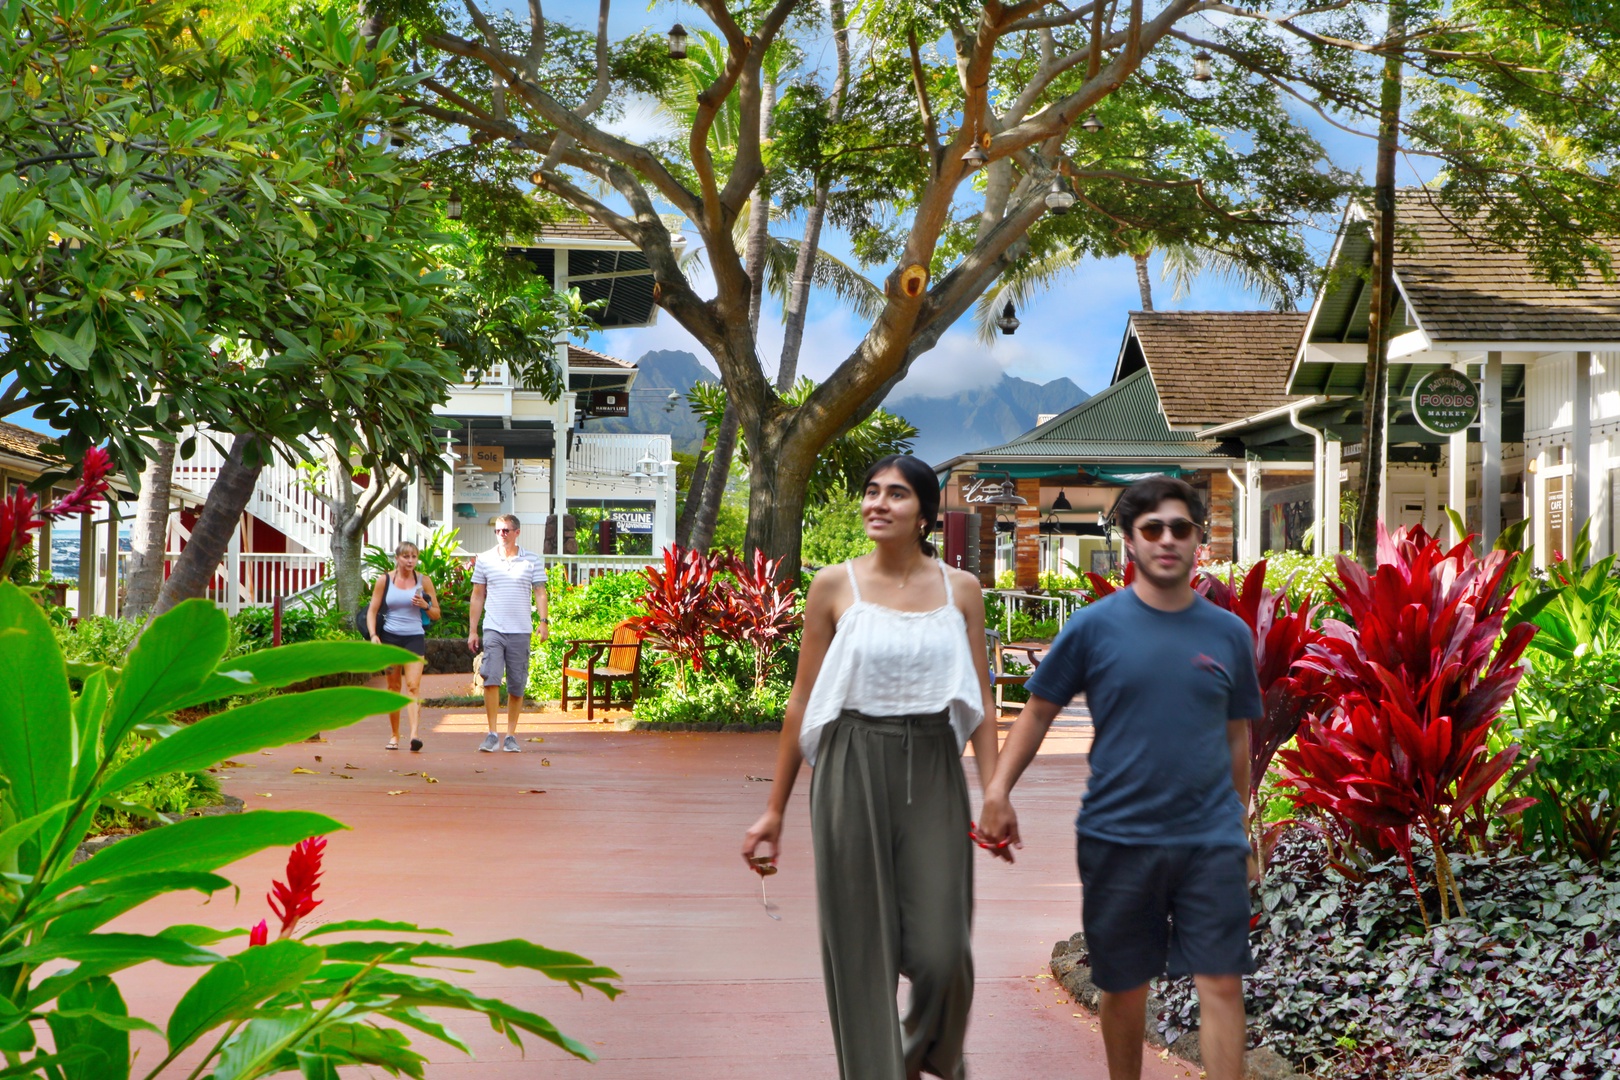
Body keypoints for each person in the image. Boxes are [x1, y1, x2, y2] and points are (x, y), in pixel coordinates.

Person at [976, 476, 1262, 1080]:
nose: (1166, 539)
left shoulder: (1229, 635)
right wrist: (998, 790)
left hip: (1208, 837)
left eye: (1179, 528)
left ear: (1196, 541)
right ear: (1129, 540)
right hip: (1118, 836)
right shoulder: (1092, 627)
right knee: (1124, 986)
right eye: (1151, 528)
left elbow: (1237, 735)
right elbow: (1036, 714)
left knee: (1221, 981)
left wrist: (1243, 822)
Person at [742, 454, 1005, 1080]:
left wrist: (995, 789)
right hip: (849, 763)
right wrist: (774, 810)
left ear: (924, 514)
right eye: (871, 492)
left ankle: (917, 1055)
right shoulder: (835, 586)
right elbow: (803, 700)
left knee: (944, 954)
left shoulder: (960, 590)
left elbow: (981, 700)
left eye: (896, 494)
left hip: (936, 766)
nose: (878, 503)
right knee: (863, 951)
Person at [467, 513, 549, 752]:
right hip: (493, 628)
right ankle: (492, 733)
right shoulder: (484, 559)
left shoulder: (532, 560)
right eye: (498, 531)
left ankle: (510, 735)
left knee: (517, 684)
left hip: (521, 629)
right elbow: (477, 594)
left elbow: (540, 592)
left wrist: (543, 622)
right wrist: (473, 630)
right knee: (490, 678)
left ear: (517, 532)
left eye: (505, 530)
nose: (501, 535)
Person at [366, 540, 440, 752]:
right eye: (406, 557)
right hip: (390, 638)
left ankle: (415, 735)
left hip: (414, 637)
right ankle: (394, 735)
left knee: (414, 686)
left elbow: (436, 613)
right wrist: (373, 635)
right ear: (397, 558)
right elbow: (372, 610)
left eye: (414, 557)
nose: (410, 561)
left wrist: (425, 606)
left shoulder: (423, 581)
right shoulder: (385, 580)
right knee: (393, 688)